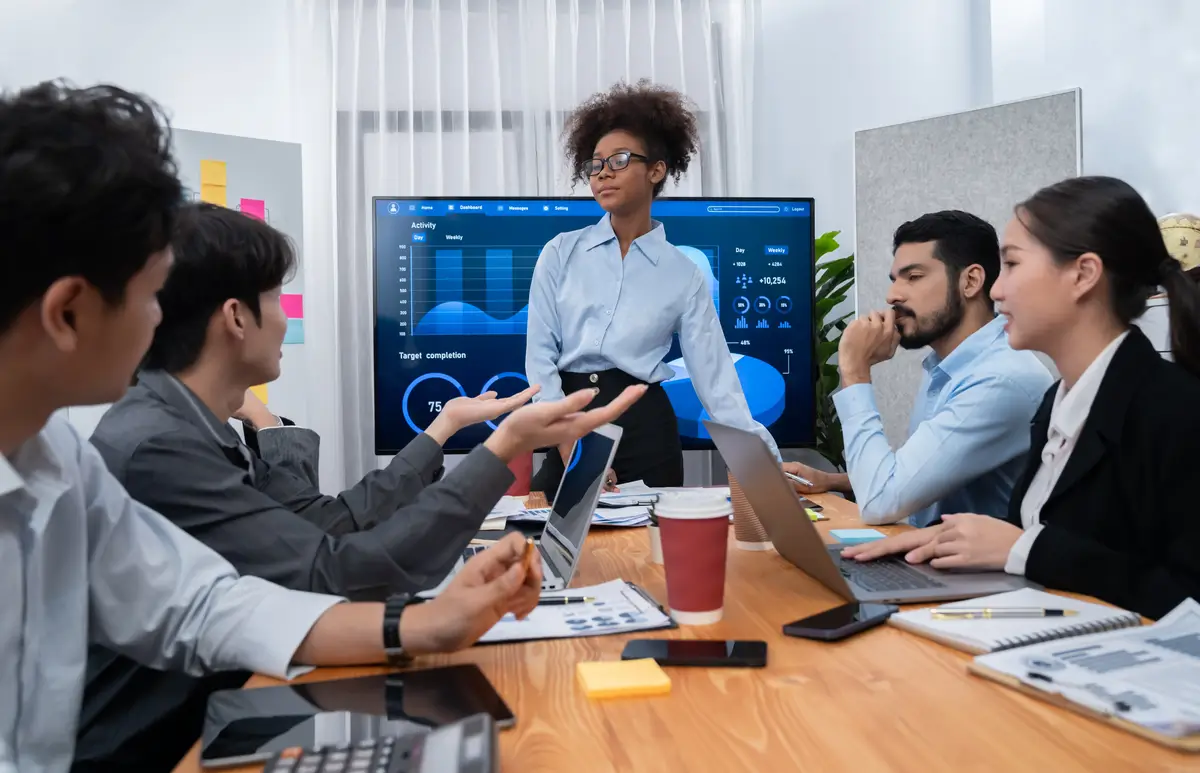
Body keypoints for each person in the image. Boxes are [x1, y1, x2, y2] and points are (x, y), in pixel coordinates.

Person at [0, 79, 643, 773]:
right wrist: (501, 447)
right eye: (151, 295)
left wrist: (430, 622)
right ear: (68, 313)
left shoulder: (60, 454)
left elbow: (204, 604)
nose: (157, 319)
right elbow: (323, 566)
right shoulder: (146, 442)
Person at [74, 202, 554, 771]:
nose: (284, 320)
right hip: (154, 752)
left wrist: (445, 427)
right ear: (235, 317)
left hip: (216, 718)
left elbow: (326, 525)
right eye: (277, 299)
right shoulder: (159, 446)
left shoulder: (187, 425)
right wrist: (500, 449)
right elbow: (333, 573)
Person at [844, 176, 1200, 621]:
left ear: (1083, 275)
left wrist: (1025, 548)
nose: (996, 291)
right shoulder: (1057, 403)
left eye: (1012, 264)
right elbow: (1047, 537)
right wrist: (950, 538)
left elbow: (1187, 598)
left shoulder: (1175, 412)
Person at [525, 80, 779, 494]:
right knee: (544, 531)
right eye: (595, 164)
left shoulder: (683, 274)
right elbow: (539, 359)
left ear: (656, 170)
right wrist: (571, 443)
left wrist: (770, 472)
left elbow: (717, 383)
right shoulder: (560, 252)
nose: (603, 172)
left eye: (620, 159)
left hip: (648, 437)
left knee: (650, 538)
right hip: (571, 426)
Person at [784, 211, 1052, 526]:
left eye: (913, 277)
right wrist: (831, 481)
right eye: (894, 280)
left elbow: (882, 501)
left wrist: (855, 372)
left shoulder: (998, 380)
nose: (892, 296)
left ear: (970, 281)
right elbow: (916, 476)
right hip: (924, 551)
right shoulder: (950, 365)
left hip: (965, 559)